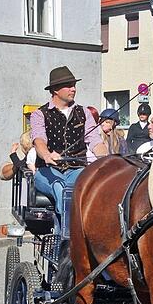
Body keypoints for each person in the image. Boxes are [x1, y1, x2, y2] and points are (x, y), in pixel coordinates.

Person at [28, 66, 106, 231]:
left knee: (93, 185)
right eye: (68, 85)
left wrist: (106, 158)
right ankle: (67, 241)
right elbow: (39, 139)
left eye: (74, 85)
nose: (73, 89)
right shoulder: (39, 114)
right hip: (47, 171)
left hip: (77, 169)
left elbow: (95, 141)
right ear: (55, 90)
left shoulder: (84, 112)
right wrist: (47, 155)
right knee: (60, 187)